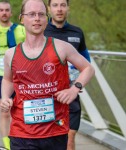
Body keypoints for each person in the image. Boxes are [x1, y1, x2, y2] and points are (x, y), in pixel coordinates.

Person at [0, 0, 95, 150]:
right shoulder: (11, 54)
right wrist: (5, 98)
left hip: (55, 130)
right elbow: (7, 79)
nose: (37, 18)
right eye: (31, 14)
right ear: (21, 19)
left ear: (46, 18)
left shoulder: (62, 47)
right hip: (22, 131)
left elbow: (88, 68)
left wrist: (74, 89)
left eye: (41, 14)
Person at [44, 0, 90, 149]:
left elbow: (86, 63)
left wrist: (78, 83)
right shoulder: (41, 31)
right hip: (46, 96)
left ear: (68, 8)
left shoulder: (77, 32)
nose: (59, 9)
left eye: (63, 5)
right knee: (48, 139)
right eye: (55, 5)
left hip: (70, 95)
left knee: (70, 136)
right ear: (49, 9)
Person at [0, 1, 26, 149]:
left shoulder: (21, 30)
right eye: (1, 10)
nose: (4, 13)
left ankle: (22, 141)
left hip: (20, 75)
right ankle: (8, 146)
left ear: (11, 13)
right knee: (5, 112)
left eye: (7, 10)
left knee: (20, 112)